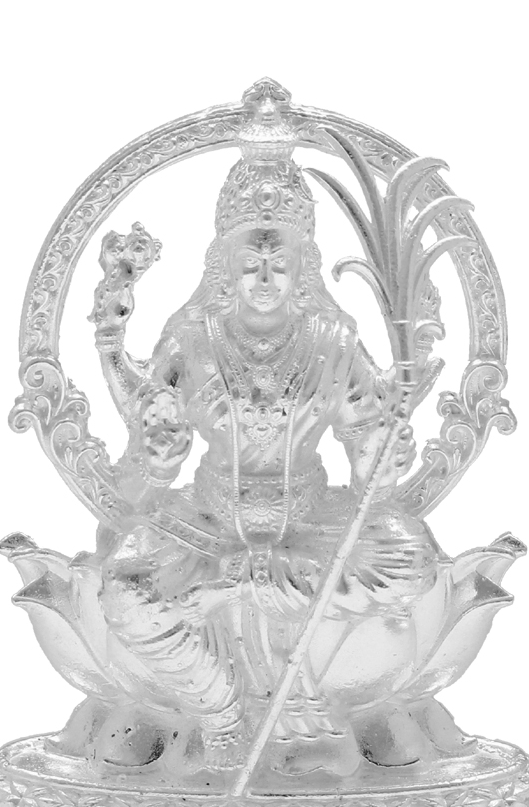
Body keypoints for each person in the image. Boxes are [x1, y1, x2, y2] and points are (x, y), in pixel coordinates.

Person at [93, 123, 439, 772]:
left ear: (303, 268)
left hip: (307, 523)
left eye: (280, 264)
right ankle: (220, 708)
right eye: (250, 263)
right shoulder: (193, 338)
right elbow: (145, 463)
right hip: (210, 524)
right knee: (122, 588)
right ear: (223, 265)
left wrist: (382, 454)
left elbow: (369, 460)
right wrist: (157, 456)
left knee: (411, 560)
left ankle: (244, 592)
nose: (264, 277)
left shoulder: (332, 339)